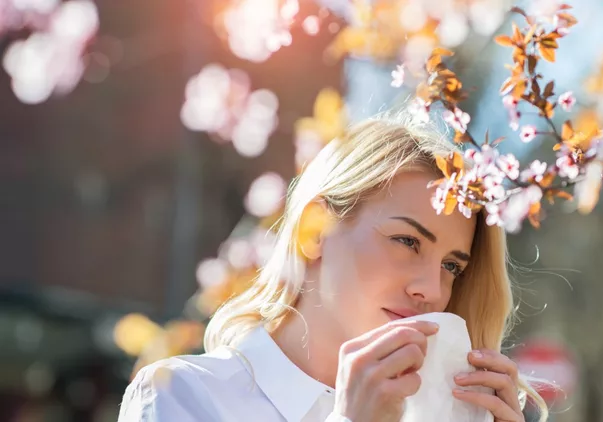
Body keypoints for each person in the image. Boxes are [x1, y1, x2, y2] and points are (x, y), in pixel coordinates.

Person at [117, 110, 549, 422]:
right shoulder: (182, 396)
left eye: (452, 267)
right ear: (315, 231)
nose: (432, 291)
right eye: (407, 241)